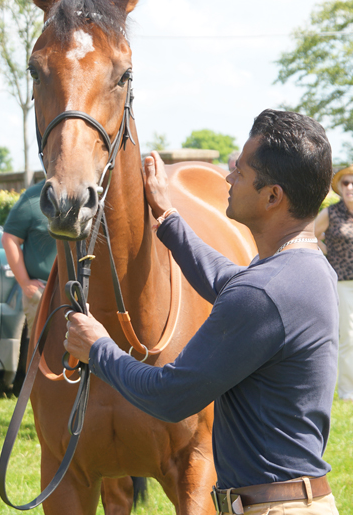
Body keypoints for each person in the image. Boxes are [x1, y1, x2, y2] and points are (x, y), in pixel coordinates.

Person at [64, 109, 339, 514]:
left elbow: (170, 397)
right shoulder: (307, 269)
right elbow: (231, 282)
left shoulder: (263, 292)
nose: (228, 179)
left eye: (241, 173)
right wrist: (168, 218)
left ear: (272, 196)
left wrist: (98, 348)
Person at [315, 165, 353, 401]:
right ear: (339, 188)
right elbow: (311, 234)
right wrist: (326, 251)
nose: (350, 187)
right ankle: (348, 391)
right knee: (348, 337)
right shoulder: (331, 213)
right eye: (345, 183)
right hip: (343, 282)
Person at [2, 180, 57, 334]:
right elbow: (9, 239)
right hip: (43, 291)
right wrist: (25, 282)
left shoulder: (88, 193)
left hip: (81, 291)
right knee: (42, 350)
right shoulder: (33, 197)